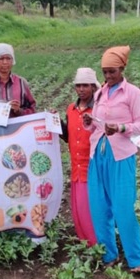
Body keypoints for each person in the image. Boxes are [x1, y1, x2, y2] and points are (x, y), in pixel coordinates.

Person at [82, 45, 140, 273]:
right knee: (99, 208)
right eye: (105, 72)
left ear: (122, 68)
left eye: (113, 71)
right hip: (97, 155)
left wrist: (120, 127)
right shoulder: (100, 93)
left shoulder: (133, 93)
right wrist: (90, 123)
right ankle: (109, 255)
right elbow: (95, 126)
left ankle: (136, 260)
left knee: (123, 209)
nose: (108, 77)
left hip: (121, 156)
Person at [59, 67, 99, 246]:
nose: (81, 89)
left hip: (91, 166)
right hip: (76, 166)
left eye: (85, 85)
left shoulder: (97, 110)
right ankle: (85, 241)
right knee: (78, 209)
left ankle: (95, 243)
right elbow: (68, 136)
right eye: (78, 86)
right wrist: (57, 123)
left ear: (93, 87)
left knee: (89, 209)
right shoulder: (71, 109)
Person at [0, 43, 36, 123]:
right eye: (1, 58)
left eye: (8, 58)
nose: (5, 62)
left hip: (18, 131)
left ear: (13, 61)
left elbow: (32, 109)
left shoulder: (22, 83)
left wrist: (19, 111)